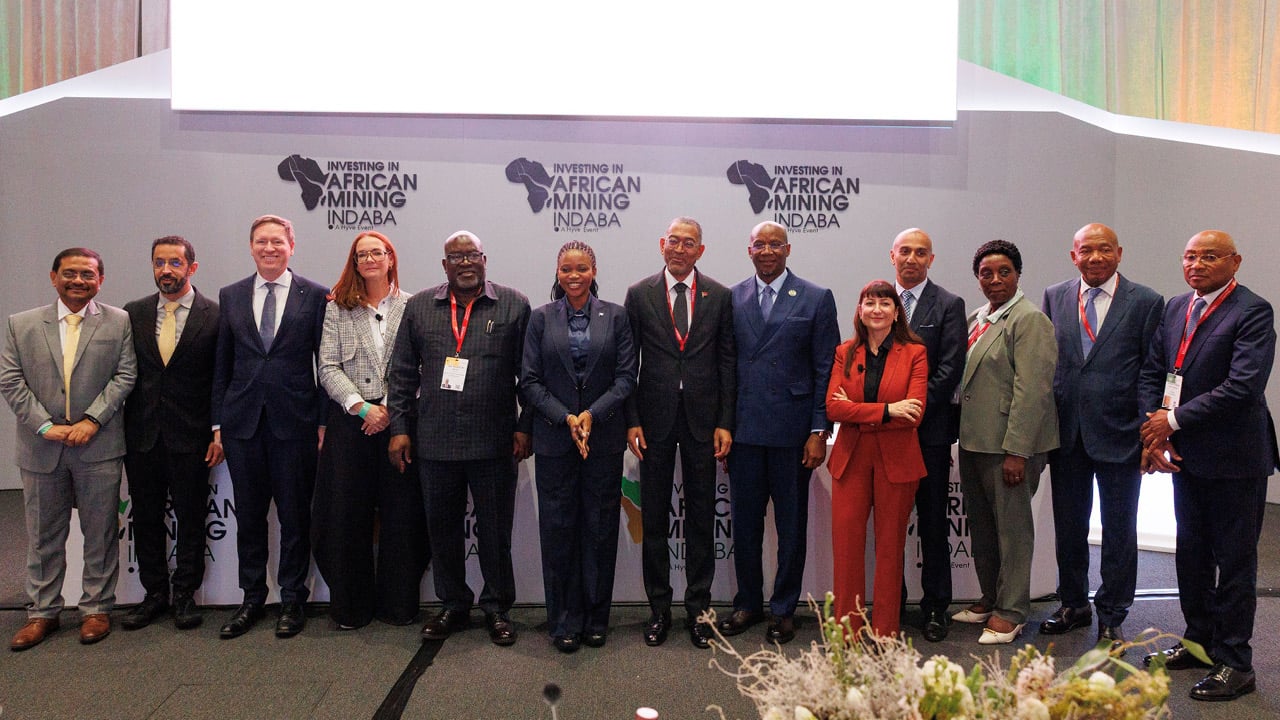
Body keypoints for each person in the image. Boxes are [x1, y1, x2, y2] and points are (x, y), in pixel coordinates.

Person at [1139, 230, 1278, 702]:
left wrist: (1172, 420)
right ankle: (1199, 643)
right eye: (1190, 256)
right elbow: (1155, 370)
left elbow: (1243, 386)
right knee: (1192, 555)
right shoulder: (1176, 307)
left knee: (1234, 562)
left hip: (1236, 458)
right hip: (1186, 454)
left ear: (1235, 262)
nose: (1196, 265)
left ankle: (1236, 663)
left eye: (1210, 257)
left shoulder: (1252, 311)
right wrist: (1155, 429)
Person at [386, 230, 532, 647]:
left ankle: (497, 607)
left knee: (495, 532)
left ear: (484, 260)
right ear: (444, 265)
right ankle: (453, 603)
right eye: (456, 257)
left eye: (472, 255)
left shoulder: (514, 304)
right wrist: (399, 429)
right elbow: (402, 374)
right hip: (435, 440)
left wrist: (525, 427)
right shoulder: (419, 307)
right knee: (442, 530)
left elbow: (529, 375)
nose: (465, 263)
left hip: (495, 441)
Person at [2, 248, 136, 650]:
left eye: (88, 275)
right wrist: (45, 426)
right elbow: (10, 380)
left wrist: (92, 420)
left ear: (100, 280)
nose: (79, 281)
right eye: (70, 273)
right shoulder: (21, 324)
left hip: (98, 444)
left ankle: (96, 608)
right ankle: (42, 612)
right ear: (54, 277)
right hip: (41, 447)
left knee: (100, 533)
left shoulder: (119, 321)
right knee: (43, 535)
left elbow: (125, 374)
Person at [1039, 223, 1163, 647]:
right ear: (1073, 255)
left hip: (1121, 433)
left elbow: (1151, 370)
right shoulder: (1055, 295)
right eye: (1086, 250)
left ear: (1119, 253)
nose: (1095, 257)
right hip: (1067, 434)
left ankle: (1112, 614)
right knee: (1069, 526)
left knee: (1119, 530)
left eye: (1104, 249)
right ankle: (1073, 604)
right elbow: (1051, 363)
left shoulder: (1146, 301)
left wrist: (1149, 433)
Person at [718, 221, 838, 644]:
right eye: (759, 244)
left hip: (793, 435)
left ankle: (784, 608)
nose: (767, 251)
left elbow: (826, 368)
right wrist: (723, 425)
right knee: (745, 527)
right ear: (749, 250)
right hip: (745, 433)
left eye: (775, 244)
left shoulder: (816, 297)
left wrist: (819, 429)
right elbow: (724, 367)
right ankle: (748, 603)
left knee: (791, 529)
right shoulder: (731, 298)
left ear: (788, 250)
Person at [212, 214, 327, 640]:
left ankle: (293, 598)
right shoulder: (231, 295)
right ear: (251, 246)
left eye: (278, 241)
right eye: (262, 241)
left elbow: (324, 363)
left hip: (295, 424)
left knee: (295, 516)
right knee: (249, 516)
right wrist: (218, 423)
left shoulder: (315, 295)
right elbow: (223, 364)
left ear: (291, 246)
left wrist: (323, 421)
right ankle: (252, 598)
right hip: (242, 425)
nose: (269, 248)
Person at [624, 216, 736, 649]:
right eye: (674, 241)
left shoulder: (719, 296)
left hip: (704, 423)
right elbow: (628, 363)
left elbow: (727, 362)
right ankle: (658, 610)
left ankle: (699, 612)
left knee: (702, 519)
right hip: (653, 421)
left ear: (700, 251)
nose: (680, 249)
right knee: (654, 517)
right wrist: (632, 419)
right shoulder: (640, 294)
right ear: (662, 244)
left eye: (689, 243)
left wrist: (725, 421)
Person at [520, 241, 636, 653]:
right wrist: (567, 418)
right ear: (557, 272)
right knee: (558, 531)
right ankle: (563, 622)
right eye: (566, 269)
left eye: (582, 268)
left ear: (593, 271)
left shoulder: (616, 316)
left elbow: (626, 378)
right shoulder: (540, 318)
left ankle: (595, 619)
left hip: (603, 441)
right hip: (555, 441)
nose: (574, 275)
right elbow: (529, 381)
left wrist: (591, 414)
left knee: (600, 531)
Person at [314, 231, 429, 630]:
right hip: (352, 424)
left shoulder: (413, 306)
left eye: (376, 253)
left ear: (390, 258)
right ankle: (351, 608)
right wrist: (362, 407)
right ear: (354, 262)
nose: (369, 260)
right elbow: (327, 366)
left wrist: (391, 410)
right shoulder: (337, 308)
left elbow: (422, 365)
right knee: (347, 516)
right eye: (361, 255)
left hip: (401, 424)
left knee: (403, 515)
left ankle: (399, 605)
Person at [953, 239, 1058, 645]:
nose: (995, 279)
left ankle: (1012, 611)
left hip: (1009, 447)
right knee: (982, 528)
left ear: (1017, 275)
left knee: (1013, 532)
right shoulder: (977, 318)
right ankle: (991, 598)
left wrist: (1018, 450)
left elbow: (1032, 391)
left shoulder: (1029, 320)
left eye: (1004, 272)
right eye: (986, 273)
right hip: (975, 442)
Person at [121, 236, 222, 632]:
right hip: (142, 436)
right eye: (159, 262)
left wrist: (217, 431)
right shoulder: (133, 313)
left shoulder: (215, 315)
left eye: (175, 263)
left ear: (191, 267)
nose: (166, 270)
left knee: (191, 518)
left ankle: (184, 595)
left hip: (192, 437)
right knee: (146, 519)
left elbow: (220, 380)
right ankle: (154, 595)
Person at [825, 280, 928, 636]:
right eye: (870, 303)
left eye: (885, 303)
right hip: (851, 459)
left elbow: (914, 413)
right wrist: (887, 410)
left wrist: (858, 410)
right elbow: (833, 407)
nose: (877, 310)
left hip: (896, 461)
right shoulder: (845, 352)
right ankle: (848, 632)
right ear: (860, 310)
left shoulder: (915, 353)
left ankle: (886, 632)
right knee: (847, 549)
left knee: (890, 549)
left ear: (897, 312)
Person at [888, 228, 966, 642]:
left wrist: (911, 410)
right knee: (890, 526)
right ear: (892, 256)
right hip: (885, 436)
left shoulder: (949, 304)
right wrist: (885, 412)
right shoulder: (879, 300)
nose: (912, 258)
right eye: (905, 251)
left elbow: (950, 368)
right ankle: (891, 604)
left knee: (933, 524)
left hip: (929, 434)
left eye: (921, 253)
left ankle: (936, 607)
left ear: (931, 260)